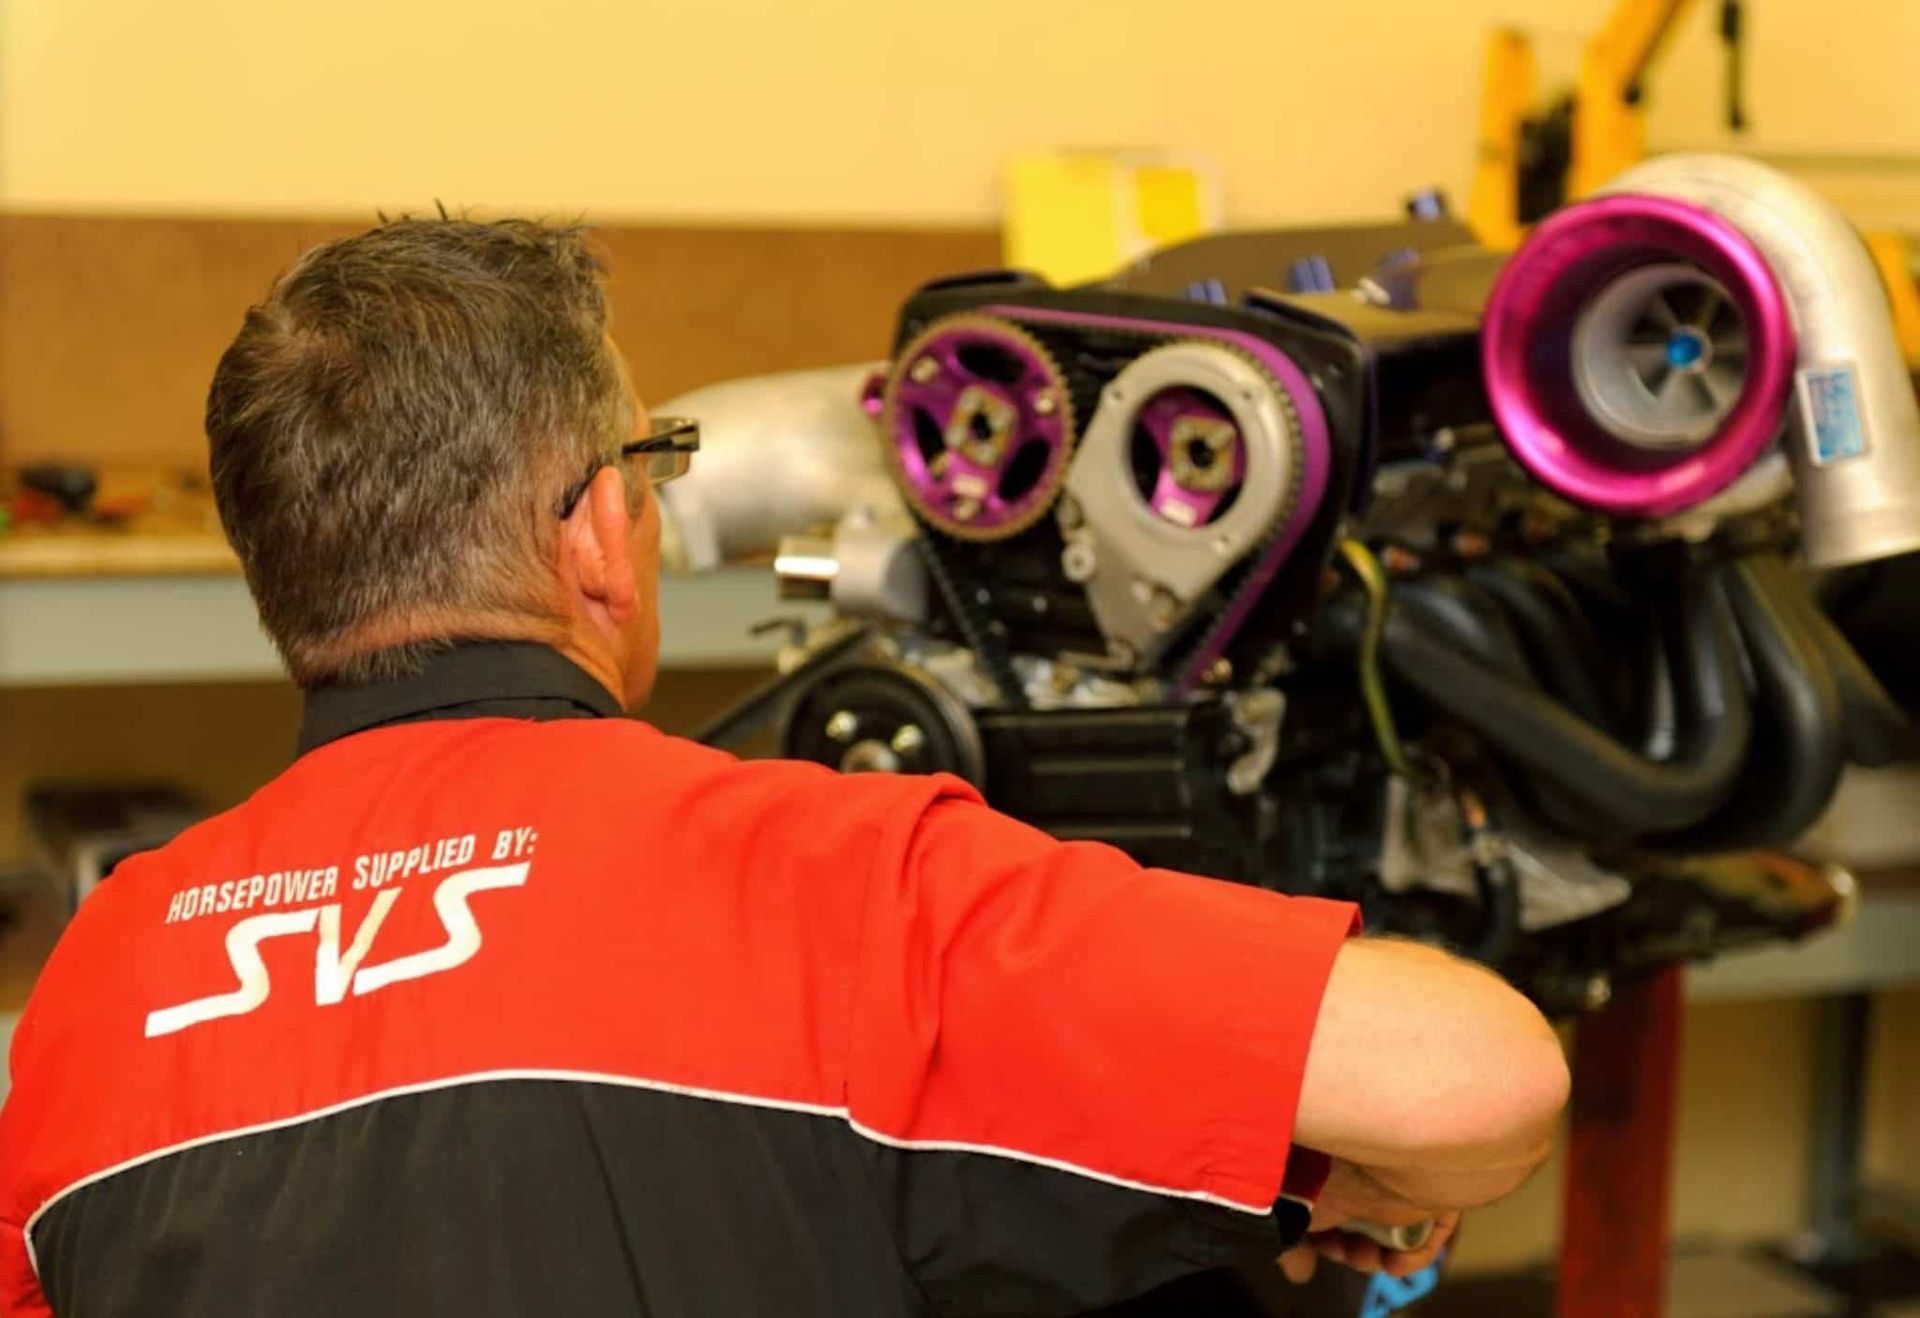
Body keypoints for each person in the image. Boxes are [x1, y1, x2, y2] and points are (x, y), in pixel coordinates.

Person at [0, 219, 1568, 1318]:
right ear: (600, 531)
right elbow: (1481, 1083)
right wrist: (1311, 1175)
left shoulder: (88, 993)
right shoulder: (818, 875)